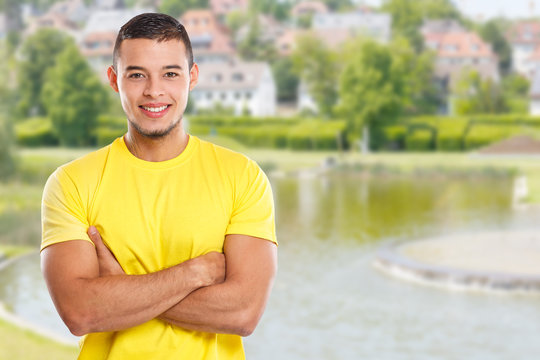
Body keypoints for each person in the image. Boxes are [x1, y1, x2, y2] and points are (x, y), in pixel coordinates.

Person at [40, 13, 277, 360]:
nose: (154, 90)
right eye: (136, 74)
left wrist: (120, 287)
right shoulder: (71, 182)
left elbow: (242, 313)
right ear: (114, 79)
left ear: (192, 77)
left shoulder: (243, 176)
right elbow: (80, 313)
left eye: (170, 73)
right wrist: (195, 272)